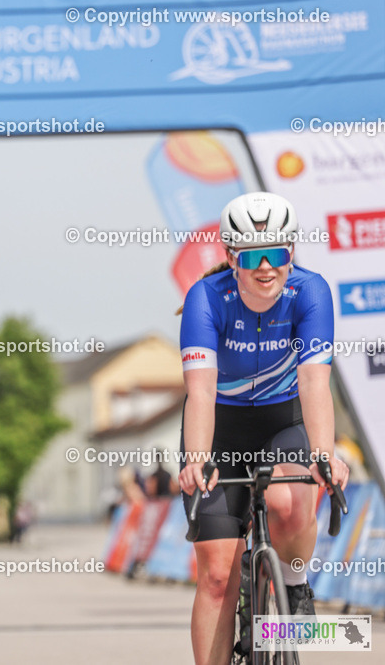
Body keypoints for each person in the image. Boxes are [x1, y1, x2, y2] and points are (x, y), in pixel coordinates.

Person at [177, 192, 349, 665]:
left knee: (288, 501)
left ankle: (293, 584)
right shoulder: (206, 299)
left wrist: (324, 454)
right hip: (220, 428)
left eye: (279, 252)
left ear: (292, 250)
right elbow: (202, 393)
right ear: (232, 256)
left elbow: (315, 381)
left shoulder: (310, 292)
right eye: (254, 255)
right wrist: (196, 459)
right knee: (217, 577)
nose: (267, 266)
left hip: (282, 420)